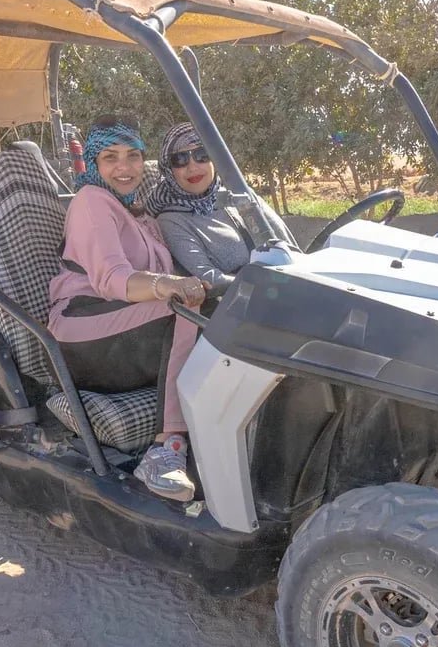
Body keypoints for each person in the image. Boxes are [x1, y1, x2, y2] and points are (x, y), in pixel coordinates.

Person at [47, 116, 207, 502]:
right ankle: (164, 452)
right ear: (93, 163)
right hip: (80, 326)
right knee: (182, 310)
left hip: (123, 324)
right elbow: (111, 279)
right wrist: (169, 286)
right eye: (110, 157)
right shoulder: (92, 202)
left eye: (133, 156)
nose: (125, 167)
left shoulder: (138, 210)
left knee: (210, 309)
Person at [141, 122, 282, 291]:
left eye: (202, 154)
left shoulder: (238, 195)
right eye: (180, 159)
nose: (193, 167)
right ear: (169, 169)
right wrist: (267, 286)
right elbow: (207, 278)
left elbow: (285, 244)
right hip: (240, 303)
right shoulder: (171, 220)